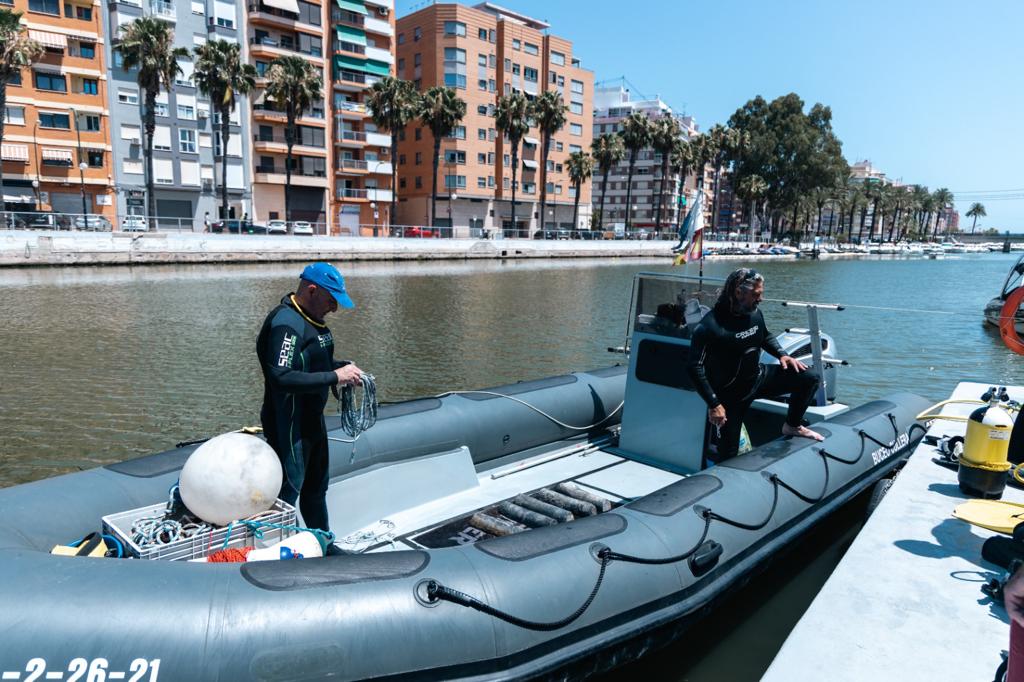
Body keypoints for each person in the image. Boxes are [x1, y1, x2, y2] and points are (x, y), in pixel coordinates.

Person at [256, 262, 364, 555]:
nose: (335, 309)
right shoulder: (287, 324)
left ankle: (323, 544)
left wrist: (341, 368)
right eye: (331, 301)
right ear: (312, 290)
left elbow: (311, 364)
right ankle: (274, 553)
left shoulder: (312, 320)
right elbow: (281, 376)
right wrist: (333, 376)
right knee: (288, 492)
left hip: (312, 422)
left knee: (317, 489)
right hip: (288, 423)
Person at [687, 267, 824, 463]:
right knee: (728, 455)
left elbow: (764, 334)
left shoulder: (754, 313)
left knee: (810, 378)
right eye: (756, 294)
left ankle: (792, 426)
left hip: (758, 378)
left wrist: (782, 354)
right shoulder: (711, 326)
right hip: (730, 396)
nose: (761, 299)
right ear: (738, 292)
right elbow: (694, 367)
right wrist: (714, 404)